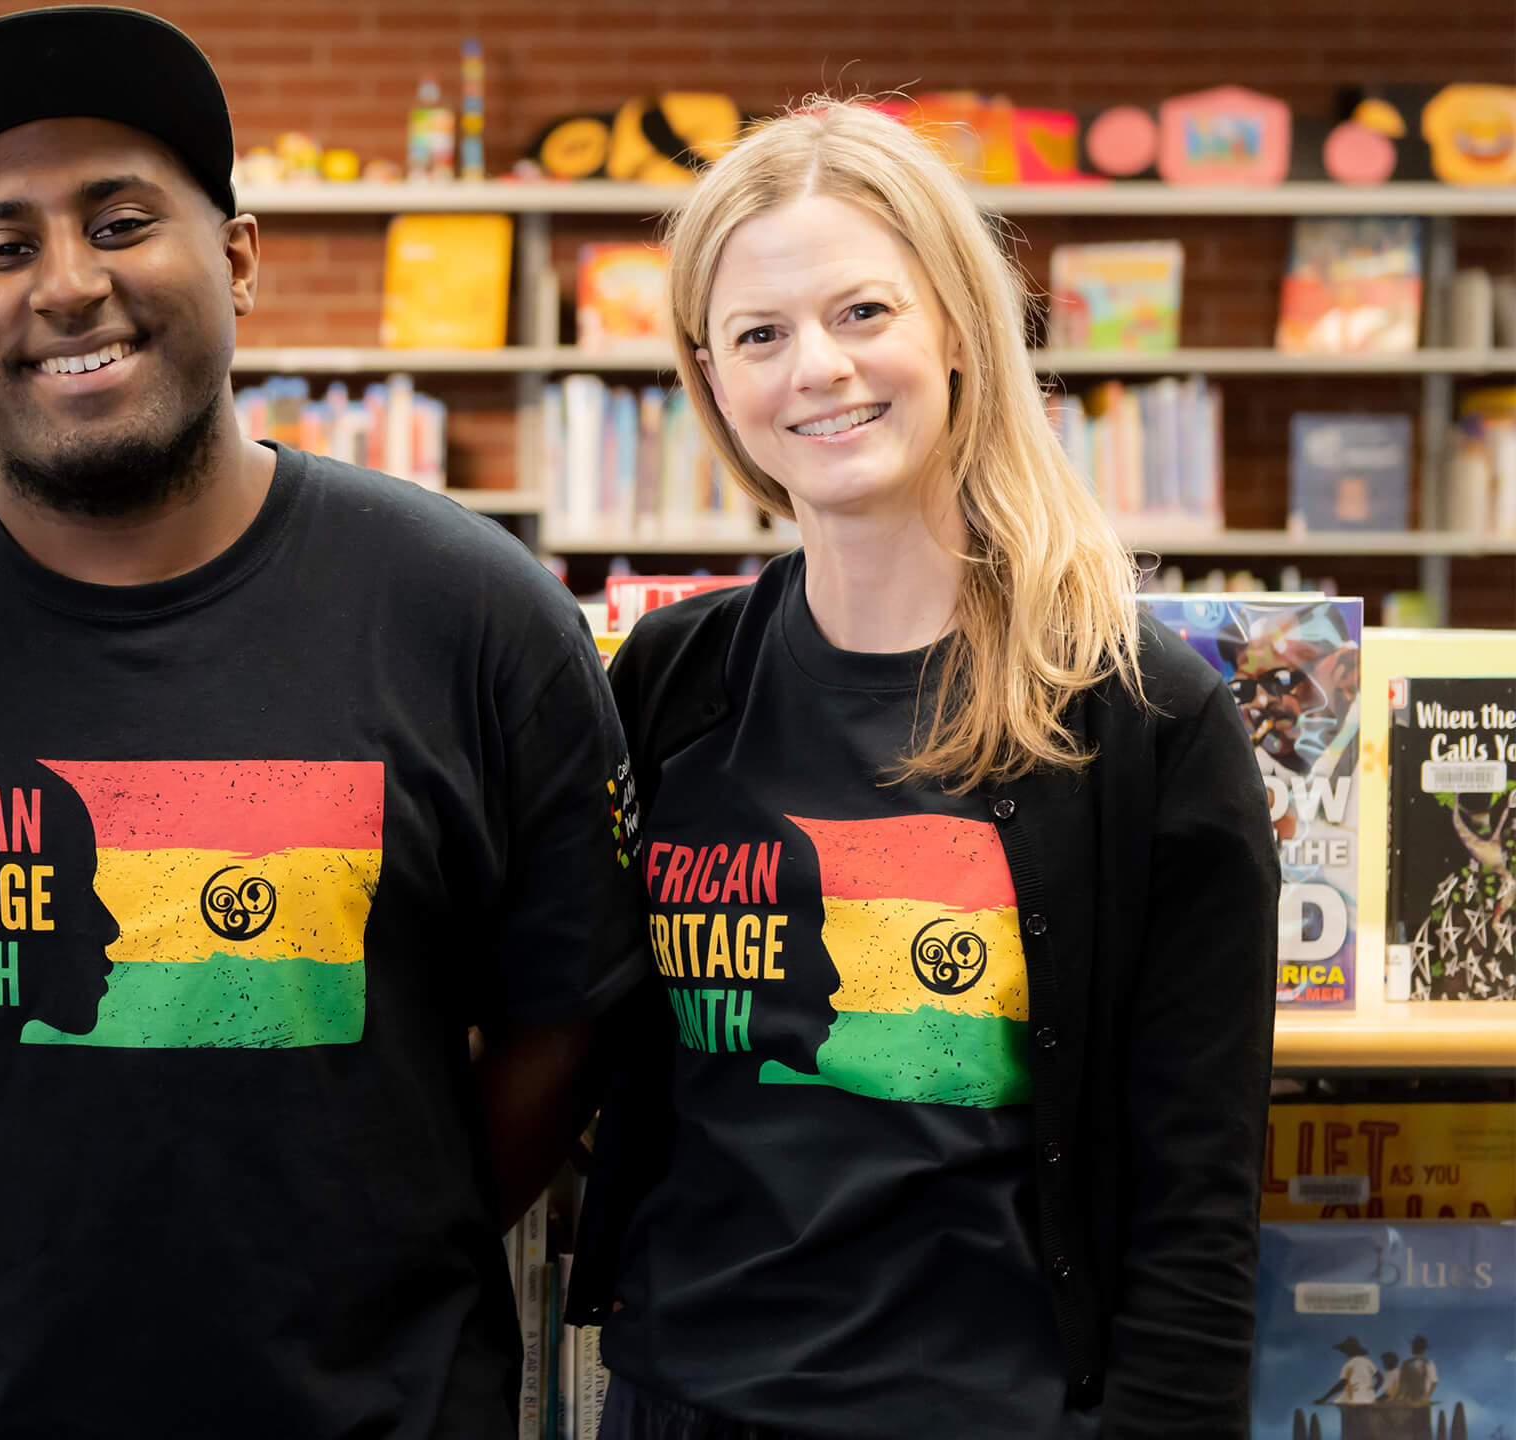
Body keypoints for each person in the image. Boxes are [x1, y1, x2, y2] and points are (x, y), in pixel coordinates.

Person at [0, 8, 646, 1435]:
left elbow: (559, 1027)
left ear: (239, 256)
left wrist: (383, 1234)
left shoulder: (476, 614)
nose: (69, 285)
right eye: (3, 244)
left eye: (123, 219)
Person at [562, 101, 1279, 1439]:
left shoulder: (1142, 719)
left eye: (863, 313)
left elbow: (1199, 1200)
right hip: (685, 1397)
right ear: (711, 376)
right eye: (760, 336)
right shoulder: (668, 681)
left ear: (956, 325)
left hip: (995, 1411)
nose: (817, 368)